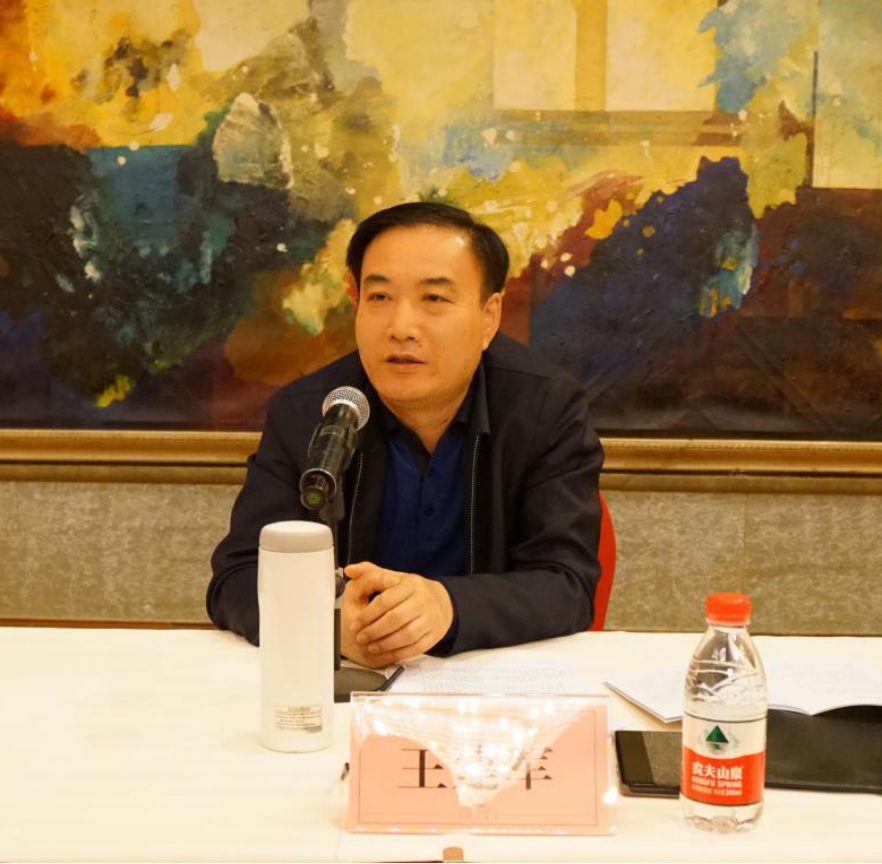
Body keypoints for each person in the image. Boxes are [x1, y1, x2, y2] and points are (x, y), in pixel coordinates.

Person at [207, 201, 604, 668]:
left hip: (486, 682)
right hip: (349, 681)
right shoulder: (309, 412)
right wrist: (328, 628)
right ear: (356, 305)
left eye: (433, 299)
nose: (400, 328)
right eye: (379, 298)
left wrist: (447, 606)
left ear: (489, 317)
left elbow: (565, 582)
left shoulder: (544, 409)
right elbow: (238, 575)